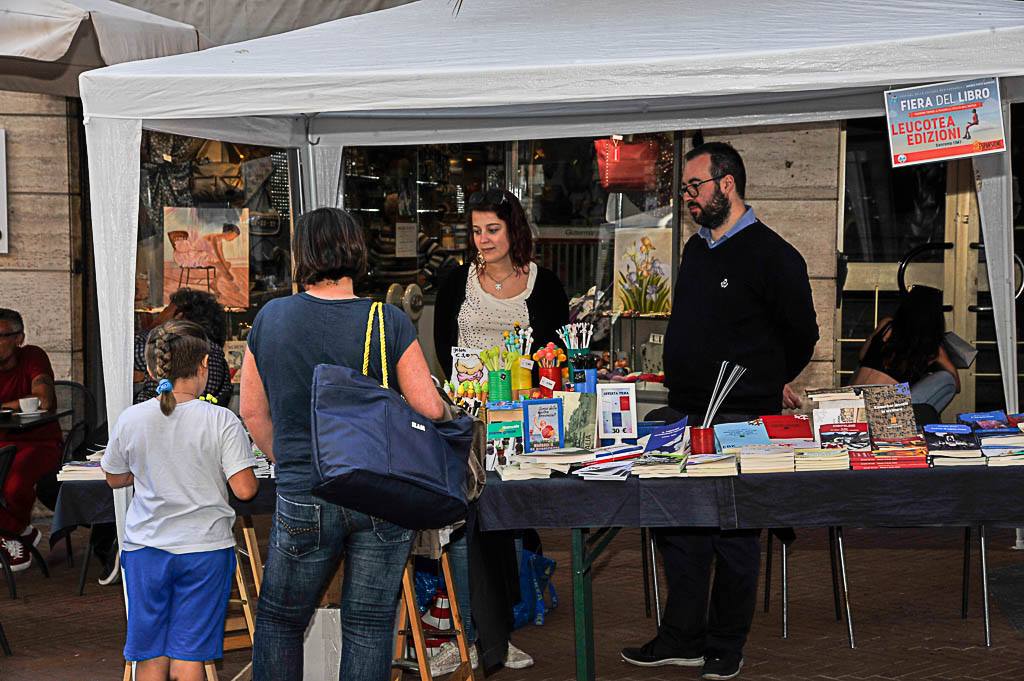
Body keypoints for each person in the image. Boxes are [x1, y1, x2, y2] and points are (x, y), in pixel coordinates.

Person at [621, 142, 818, 681]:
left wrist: (766, 380)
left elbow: (803, 336)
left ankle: (726, 644)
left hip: (742, 419)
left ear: (726, 184)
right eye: (684, 188)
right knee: (679, 528)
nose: (687, 197)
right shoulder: (695, 249)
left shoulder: (774, 256)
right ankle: (681, 638)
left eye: (695, 186)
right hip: (686, 414)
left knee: (734, 533)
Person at [242, 207, 445, 681]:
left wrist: (291, 459)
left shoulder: (271, 318)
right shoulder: (387, 320)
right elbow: (431, 409)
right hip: (379, 491)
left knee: (279, 621)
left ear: (302, 255)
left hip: (305, 490)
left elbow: (252, 411)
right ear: (356, 251)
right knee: (370, 624)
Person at [432, 188, 569, 674]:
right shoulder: (456, 282)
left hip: (522, 426)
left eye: (493, 229)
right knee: (471, 525)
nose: (483, 239)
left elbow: (555, 358)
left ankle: (494, 633)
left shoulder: (544, 286)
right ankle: (481, 636)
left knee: (505, 523)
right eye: (476, 230)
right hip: (466, 426)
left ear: (514, 230)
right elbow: (445, 349)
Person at [101, 320, 258, 681]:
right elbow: (245, 489)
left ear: (154, 368)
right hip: (204, 549)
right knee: (189, 656)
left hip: (145, 549)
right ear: (204, 365)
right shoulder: (221, 420)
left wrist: (143, 472)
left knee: (150, 656)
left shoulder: (132, 418)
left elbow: (114, 477)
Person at [0, 308, 62, 572]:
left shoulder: (33, 356)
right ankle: (19, 532)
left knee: (13, 484)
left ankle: (12, 536)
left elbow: (43, 399)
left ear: (19, 338)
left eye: (1, 336)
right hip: (3, 442)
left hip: (39, 441)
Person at [852, 285, 959, 413]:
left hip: (848, 404)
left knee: (864, 368)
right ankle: (922, 421)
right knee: (946, 379)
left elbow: (862, 355)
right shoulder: (933, 347)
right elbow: (955, 384)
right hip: (878, 411)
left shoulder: (886, 325)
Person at [135, 289, 233, 406]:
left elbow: (125, 352)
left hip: (156, 416)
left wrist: (159, 324)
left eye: (167, 312)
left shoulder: (175, 346)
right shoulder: (217, 356)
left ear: (179, 317)